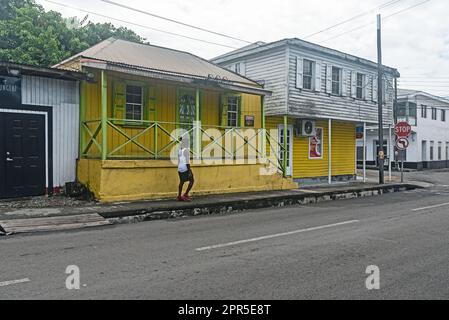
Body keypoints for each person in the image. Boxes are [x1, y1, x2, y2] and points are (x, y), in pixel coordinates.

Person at [177, 136, 194, 202]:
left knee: (182, 181)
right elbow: (187, 162)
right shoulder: (186, 150)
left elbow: (179, 159)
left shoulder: (179, 150)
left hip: (180, 167)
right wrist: (189, 171)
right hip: (185, 167)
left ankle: (179, 196)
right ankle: (185, 194)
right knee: (192, 180)